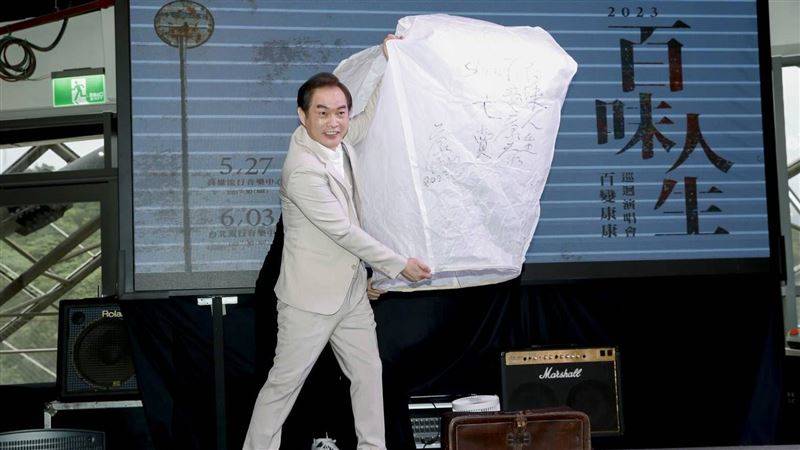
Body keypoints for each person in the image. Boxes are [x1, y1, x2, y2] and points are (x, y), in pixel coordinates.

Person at [244, 34, 431, 450]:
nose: (334, 122)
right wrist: (398, 265)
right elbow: (344, 231)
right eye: (323, 112)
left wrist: (389, 64)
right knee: (283, 386)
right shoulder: (302, 169)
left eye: (340, 112)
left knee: (368, 375)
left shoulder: (339, 140)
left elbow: (367, 119)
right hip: (308, 301)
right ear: (302, 116)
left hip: (350, 296)